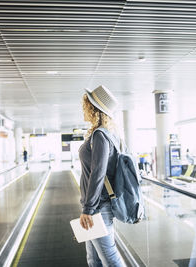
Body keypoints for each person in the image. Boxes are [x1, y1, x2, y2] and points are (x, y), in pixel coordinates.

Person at [78, 85, 124, 267]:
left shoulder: (100, 136)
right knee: (94, 259)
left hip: (98, 208)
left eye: (86, 105)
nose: (84, 109)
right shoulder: (108, 134)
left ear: (93, 109)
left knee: (110, 259)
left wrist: (88, 209)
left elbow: (98, 174)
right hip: (96, 206)